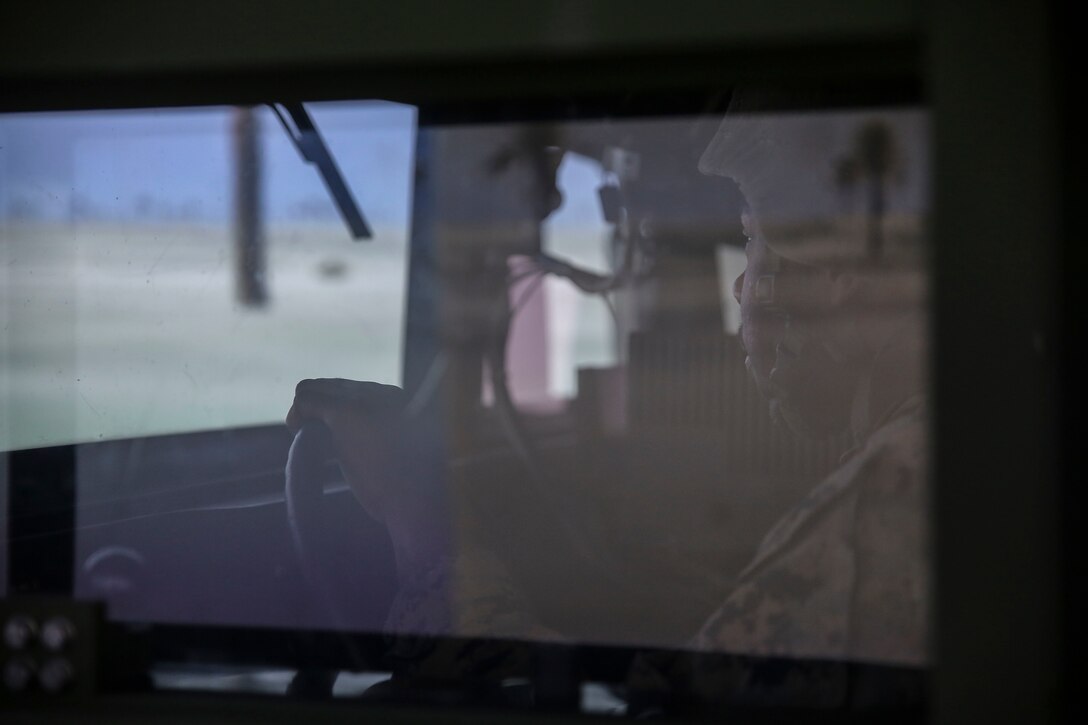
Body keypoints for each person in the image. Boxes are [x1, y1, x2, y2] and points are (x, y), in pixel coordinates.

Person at [286, 87, 930, 712]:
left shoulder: (887, 498)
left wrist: (422, 529)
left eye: (752, 237)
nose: (741, 285)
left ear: (838, 271)